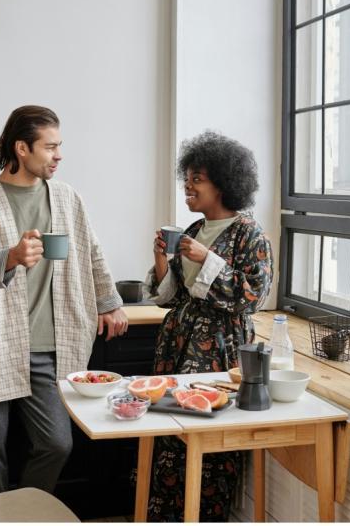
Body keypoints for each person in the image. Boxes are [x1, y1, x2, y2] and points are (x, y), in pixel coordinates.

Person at [0, 105, 129, 496]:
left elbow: (91, 251)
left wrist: (109, 302)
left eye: (59, 146)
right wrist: (9, 257)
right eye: (50, 147)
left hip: (51, 347)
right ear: (22, 149)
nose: (59, 155)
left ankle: (23, 514)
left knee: (57, 443)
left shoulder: (67, 199)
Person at [145, 131, 274, 521]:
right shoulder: (191, 231)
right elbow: (174, 295)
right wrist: (163, 262)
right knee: (170, 433)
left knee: (210, 441)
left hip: (219, 348)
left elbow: (253, 298)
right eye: (187, 176)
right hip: (178, 344)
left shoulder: (251, 235)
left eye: (197, 178)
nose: (188, 184)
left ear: (224, 183)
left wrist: (207, 259)